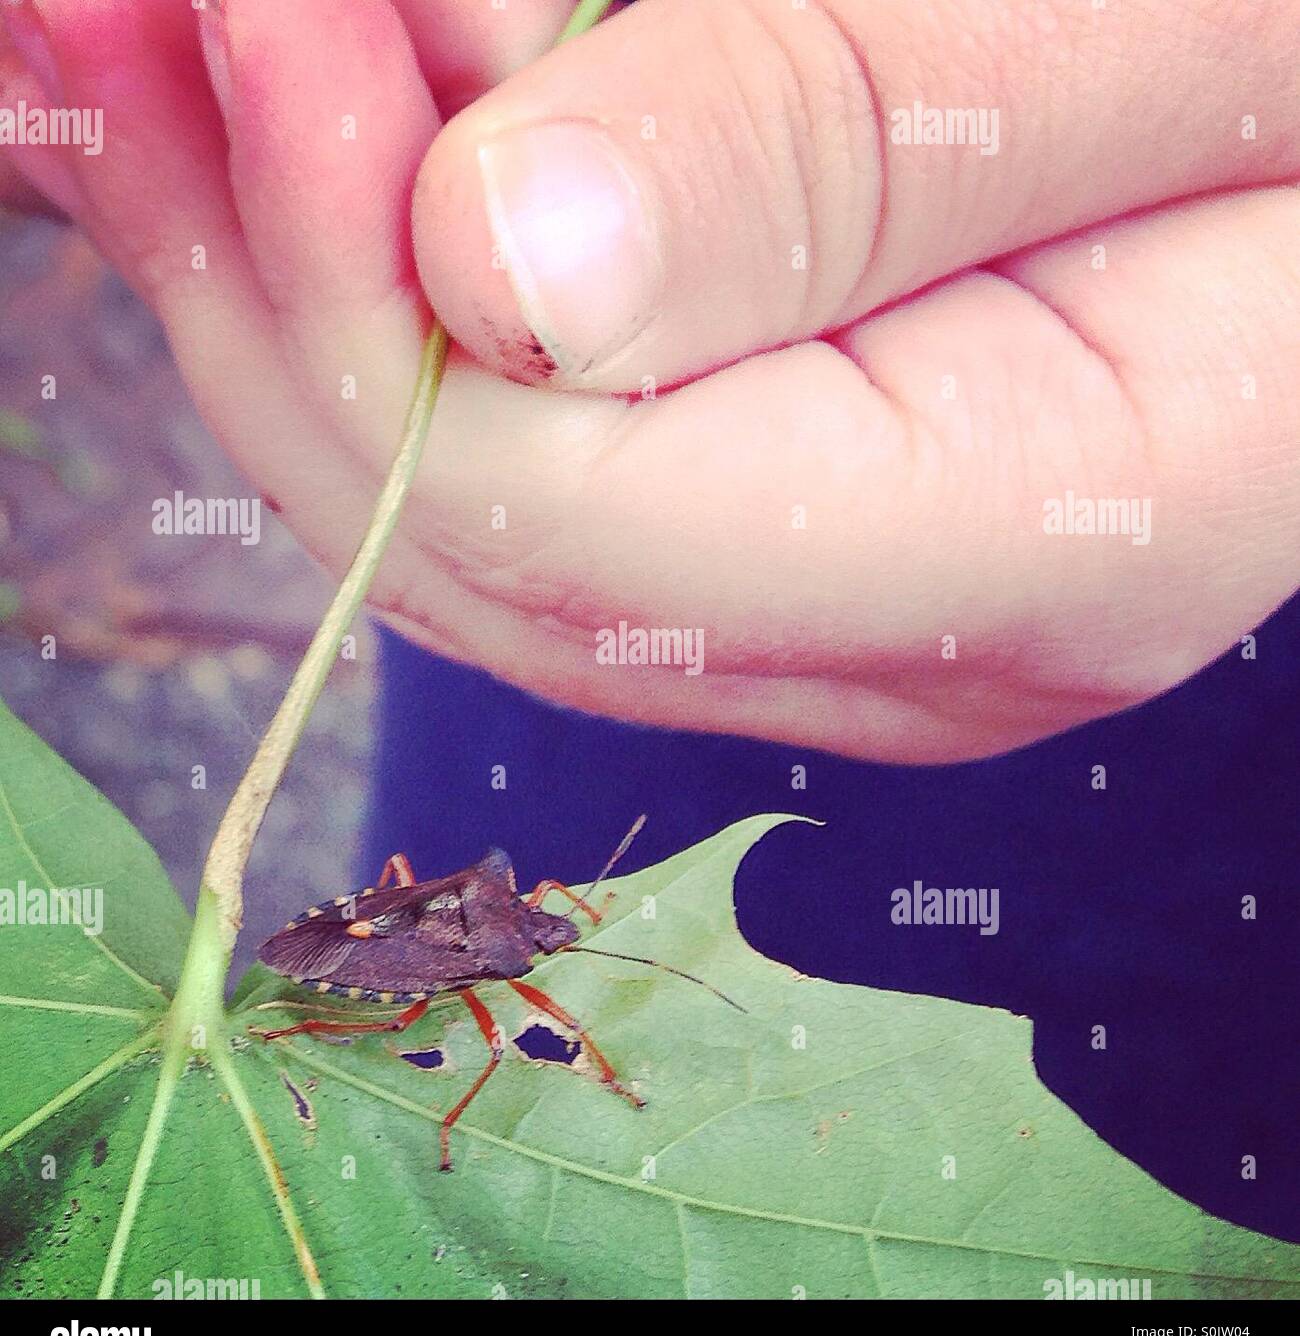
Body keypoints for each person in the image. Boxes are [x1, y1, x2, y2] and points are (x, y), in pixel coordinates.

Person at [2, 0, 1296, 1240]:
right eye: (551, 928)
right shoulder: (503, 936)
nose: (558, 931)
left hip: (1204, 887)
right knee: (425, 952)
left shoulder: (505, 940)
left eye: (550, 933)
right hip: (558, 591)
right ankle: (294, 1022)